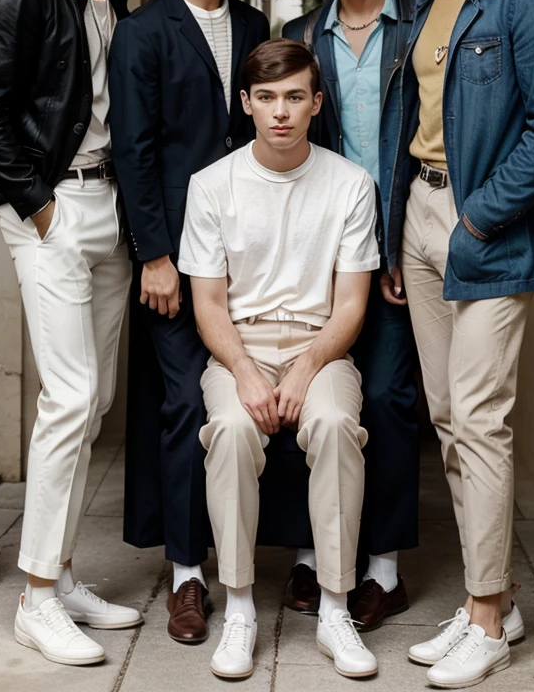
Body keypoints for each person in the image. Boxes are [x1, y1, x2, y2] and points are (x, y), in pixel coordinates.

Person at [384, 0, 534, 688]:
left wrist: (475, 214)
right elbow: (414, 124)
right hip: (421, 226)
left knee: (480, 419)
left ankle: (493, 617)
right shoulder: (427, 1)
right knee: (446, 419)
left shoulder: (526, 1)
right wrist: (403, 228)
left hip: (485, 229)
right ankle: (478, 605)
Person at [0, 0, 148, 665]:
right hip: (54, 208)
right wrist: (36, 202)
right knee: (70, 397)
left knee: (95, 397)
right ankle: (35, 599)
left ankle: (61, 572)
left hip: (108, 208)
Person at [178, 38, 380, 680]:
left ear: (317, 103)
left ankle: (334, 607)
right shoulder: (212, 185)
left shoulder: (351, 184)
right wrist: (243, 371)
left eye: (295, 96)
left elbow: (351, 306)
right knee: (233, 429)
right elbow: (207, 306)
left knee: (333, 426)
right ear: (246, 104)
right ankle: (239, 609)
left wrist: (303, 367)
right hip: (240, 345)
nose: (281, 111)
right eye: (266, 97)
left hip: (322, 348)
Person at [108, 0, 269, 644]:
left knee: (249, 397)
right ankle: (185, 575)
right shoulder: (142, 31)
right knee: (181, 408)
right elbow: (133, 152)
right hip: (176, 257)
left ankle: (260, 554)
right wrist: (155, 255)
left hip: (251, 255)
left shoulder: (253, 23)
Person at [282, 0, 419, 630]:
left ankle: (384, 569)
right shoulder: (303, 34)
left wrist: (402, 241)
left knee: (392, 401)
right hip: (324, 258)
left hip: (394, 250)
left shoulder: (420, 22)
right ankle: (308, 553)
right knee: (308, 398)